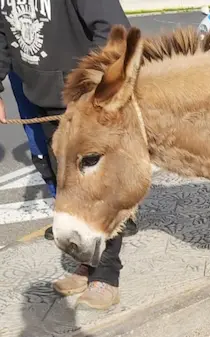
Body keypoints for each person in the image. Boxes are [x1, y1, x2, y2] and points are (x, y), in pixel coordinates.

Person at [0, 0, 139, 310]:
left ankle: (106, 275)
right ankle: (87, 263)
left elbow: (114, 30)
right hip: (40, 99)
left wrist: (91, 90)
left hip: (85, 101)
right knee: (67, 192)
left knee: (97, 189)